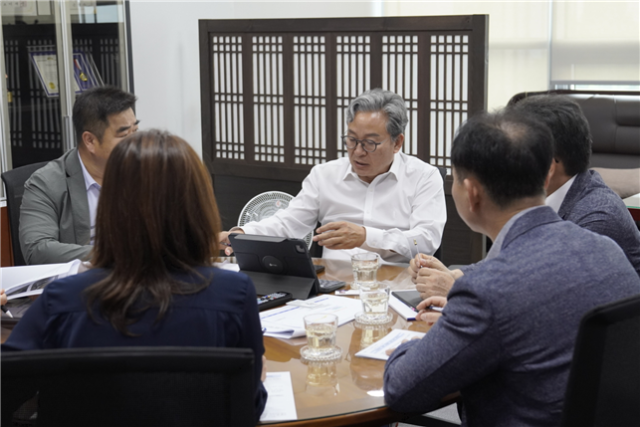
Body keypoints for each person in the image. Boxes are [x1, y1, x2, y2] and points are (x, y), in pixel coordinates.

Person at [383, 111, 640, 426]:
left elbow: (401, 389)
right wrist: (463, 322)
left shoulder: (485, 292)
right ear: (545, 177)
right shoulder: (607, 249)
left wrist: (419, 342)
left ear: (472, 193)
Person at [4, 130, 268, 419]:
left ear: (110, 207)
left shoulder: (62, 300)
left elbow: (6, 391)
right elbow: (248, 407)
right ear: (199, 206)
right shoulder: (234, 294)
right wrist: (258, 378)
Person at [409, 94, 640, 299]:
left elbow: (532, 290)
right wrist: (455, 275)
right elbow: (509, 262)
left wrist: (457, 288)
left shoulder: (596, 218)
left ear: (548, 164)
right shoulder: (535, 202)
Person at [219, 88, 446, 263]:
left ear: (397, 143)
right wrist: (241, 234)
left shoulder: (424, 177)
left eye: (370, 143)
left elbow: (426, 240)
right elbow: (288, 223)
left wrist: (366, 236)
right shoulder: (324, 176)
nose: (358, 152)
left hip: (397, 284)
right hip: (332, 286)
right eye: (351, 140)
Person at [19, 86, 138, 265]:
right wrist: (116, 256)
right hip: (84, 278)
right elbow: (37, 250)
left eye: (135, 131)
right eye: (123, 135)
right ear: (90, 140)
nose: (135, 142)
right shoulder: (45, 183)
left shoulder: (145, 170)